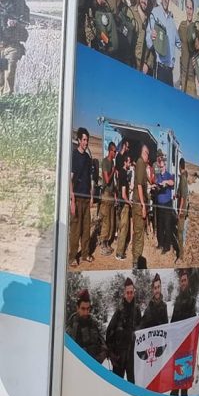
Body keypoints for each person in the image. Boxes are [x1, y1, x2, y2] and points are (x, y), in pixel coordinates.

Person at [0, 0, 31, 97]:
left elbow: (26, 21)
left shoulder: (18, 2)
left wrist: (16, 23)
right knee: (1, 77)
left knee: (9, 72)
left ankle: (8, 99)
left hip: (12, 45)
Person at [106, 277, 141, 382]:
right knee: (118, 386)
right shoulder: (119, 311)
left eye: (131, 292)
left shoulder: (137, 310)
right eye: (128, 292)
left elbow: (142, 329)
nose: (130, 295)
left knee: (132, 387)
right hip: (119, 357)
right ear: (124, 294)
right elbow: (109, 331)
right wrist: (111, 353)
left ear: (134, 292)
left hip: (132, 357)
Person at [169, 268, 197, 396]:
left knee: (184, 379)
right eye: (181, 281)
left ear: (189, 282)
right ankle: (174, 395)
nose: (183, 283)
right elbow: (174, 319)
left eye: (185, 280)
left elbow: (191, 320)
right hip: (177, 344)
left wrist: (197, 318)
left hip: (187, 344)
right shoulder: (178, 300)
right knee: (176, 376)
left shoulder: (192, 299)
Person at [69, 128, 94, 267]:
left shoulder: (88, 158)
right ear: (79, 140)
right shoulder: (74, 155)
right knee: (75, 230)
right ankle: (72, 257)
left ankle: (85, 254)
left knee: (86, 229)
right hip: (77, 198)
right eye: (84, 140)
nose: (86, 142)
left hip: (86, 198)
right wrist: (72, 199)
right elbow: (70, 179)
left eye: (87, 140)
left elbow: (89, 178)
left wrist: (91, 196)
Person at [146, 0, 179, 85]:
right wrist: (151, 36)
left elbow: (179, 43)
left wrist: (174, 62)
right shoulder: (155, 12)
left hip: (169, 71)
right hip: (158, 67)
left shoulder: (172, 22)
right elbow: (148, 36)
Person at [66, 289, 105, 363]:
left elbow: (102, 344)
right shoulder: (71, 327)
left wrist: (100, 357)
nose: (86, 312)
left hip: (93, 367)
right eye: (83, 309)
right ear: (77, 308)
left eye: (88, 309)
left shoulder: (93, 324)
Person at [132, 143, 151, 268]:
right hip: (139, 204)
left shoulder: (142, 165)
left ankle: (136, 258)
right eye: (147, 154)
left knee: (138, 233)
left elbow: (144, 183)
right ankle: (136, 262)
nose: (148, 157)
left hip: (140, 203)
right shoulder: (140, 163)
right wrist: (143, 205)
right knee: (139, 234)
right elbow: (139, 185)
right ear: (143, 152)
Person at [177, 0, 199, 94]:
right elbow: (178, 44)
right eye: (187, 7)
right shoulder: (181, 25)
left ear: (193, 10)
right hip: (182, 73)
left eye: (191, 8)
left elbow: (197, 49)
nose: (189, 11)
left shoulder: (196, 29)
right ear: (185, 8)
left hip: (191, 77)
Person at [129, 0, 154, 74]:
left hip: (143, 69)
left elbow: (153, 47)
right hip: (131, 63)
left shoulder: (151, 22)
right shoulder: (130, 12)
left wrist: (148, 64)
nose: (144, 0)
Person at [114, 145, 134, 261]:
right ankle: (119, 253)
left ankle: (120, 251)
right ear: (125, 162)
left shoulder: (122, 173)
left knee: (122, 228)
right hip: (124, 205)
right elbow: (123, 193)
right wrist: (129, 202)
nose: (130, 164)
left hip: (122, 204)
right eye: (129, 162)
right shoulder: (122, 174)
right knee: (123, 229)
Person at [152, 154, 175, 254]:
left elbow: (172, 183)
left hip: (167, 204)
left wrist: (166, 181)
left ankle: (167, 247)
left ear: (165, 165)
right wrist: (154, 187)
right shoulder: (158, 176)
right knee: (160, 225)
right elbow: (156, 185)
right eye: (159, 166)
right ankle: (160, 244)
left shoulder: (168, 175)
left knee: (167, 225)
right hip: (159, 205)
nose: (160, 168)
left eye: (162, 166)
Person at [97, 142, 117, 255]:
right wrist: (113, 171)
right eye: (114, 151)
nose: (115, 153)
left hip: (110, 195)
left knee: (111, 222)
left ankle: (107, 243)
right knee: (106, 222)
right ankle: (102, 245)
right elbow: (107, 180)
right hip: (105, 195)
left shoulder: (112, 162)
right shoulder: (105, 162)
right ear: (110, 150)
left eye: (116, 151)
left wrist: (114, 195)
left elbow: (112, 183)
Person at [175, 157, 189, 261]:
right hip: (182, 207)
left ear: (180, 166)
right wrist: (176, 195)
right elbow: (181, 193)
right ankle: (181, 252)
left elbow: (184, 197)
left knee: (179, 232)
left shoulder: (183, 178)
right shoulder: (183, 177)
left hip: (182, 209)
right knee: (180, 230)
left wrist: (180, 210)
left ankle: (181, 255)